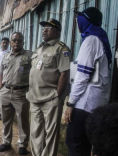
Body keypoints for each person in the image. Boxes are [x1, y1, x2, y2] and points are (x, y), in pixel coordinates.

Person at [65, 7, 112, 156]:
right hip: (95, 102)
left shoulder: (91, 40)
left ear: (85, 21)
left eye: (79, 20)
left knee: (75, 143)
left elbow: (82, 75)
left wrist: (70, 103)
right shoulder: (100, 38)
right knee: (84, 146)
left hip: (84, 103)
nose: (77, 23)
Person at [26, 18, 71, 156]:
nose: (44, 30)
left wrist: (57, 95)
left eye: (49, 28)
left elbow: (65, 72)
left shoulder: (61, 48)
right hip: (34, 98)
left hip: (50, 98)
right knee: (35, 132)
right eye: (44, 28)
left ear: (57, 32)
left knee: (51, 135)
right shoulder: (39, 49)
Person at [0, 32, 32, 155]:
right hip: (6, 91)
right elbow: (0, 71)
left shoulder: (29, 56)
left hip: (21, 92)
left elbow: (34, 74)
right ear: (11, 43)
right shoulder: (6, 56)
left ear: (23, 42)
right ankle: (6, 142)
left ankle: (23, 144)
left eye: (19, 40)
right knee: (6, 119)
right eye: (14, 40)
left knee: (23, 120)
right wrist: (1, 86)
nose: (17, 42)